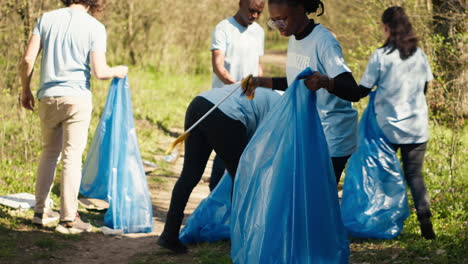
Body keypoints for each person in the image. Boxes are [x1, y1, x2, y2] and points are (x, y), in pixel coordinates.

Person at [20, 0, 128, 234]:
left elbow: (28, 59)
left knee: (49, 153)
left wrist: (25, 89)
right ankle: (68, 219)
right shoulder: (94, 27)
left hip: (47, 96)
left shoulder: (46, 19)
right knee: (71, 156)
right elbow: (100, 72)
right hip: (77, 98)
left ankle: (40, 212)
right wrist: (117, 71)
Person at [242, 0, 369, 183]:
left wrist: (326, 82)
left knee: (319, 197)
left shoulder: (324, 41)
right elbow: (295, 82)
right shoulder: (295, 38)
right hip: (310, 131)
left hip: (332, 135)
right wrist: (259, 81)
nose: (279, 25)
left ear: (300, 9)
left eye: (283, 19)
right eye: (274, 21)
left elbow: (353, 91)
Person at [157, 84, 281, 254]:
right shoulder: (283, 111)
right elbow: (262, 149)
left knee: (190, 175)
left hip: (199, 104)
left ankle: (169, 234)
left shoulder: (272, 98)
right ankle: (241, 240)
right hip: (225, 114)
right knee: (241, 180)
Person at [359, 6, 436, 239]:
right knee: (414, 175)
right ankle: (426, 222)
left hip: (388, 130)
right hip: (417, 128)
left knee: (383, 174)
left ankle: (383, 222)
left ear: (387, 28)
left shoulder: (381, 57)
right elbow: (425, 87)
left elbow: (363, 89)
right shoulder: (418, 54)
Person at [209, 0, 265, 191]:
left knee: (245, 150)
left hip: (249, 101)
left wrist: (261, 87)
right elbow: (218, 65)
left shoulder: (259, 31)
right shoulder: (223, 28)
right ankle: (214, 198)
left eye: (259, 13)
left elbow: (257, 65)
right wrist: (235, 86)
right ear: (240, 3)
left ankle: (236, 199)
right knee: (224, 151)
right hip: (225, 100)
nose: (255, 16)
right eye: (251, 11)